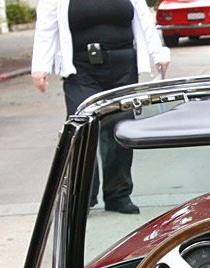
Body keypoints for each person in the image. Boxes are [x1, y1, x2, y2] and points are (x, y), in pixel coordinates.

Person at [31, 0, 170, 214]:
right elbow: (46, 27)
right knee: (83, 132)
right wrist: (40, 66)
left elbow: (143, 18)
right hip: (81, 70)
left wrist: (158, 53)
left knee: (119, 131)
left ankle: (118, 195)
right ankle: (83, 196)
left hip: (123, 67)